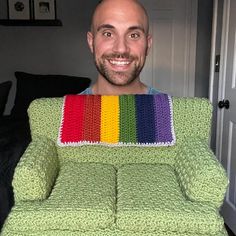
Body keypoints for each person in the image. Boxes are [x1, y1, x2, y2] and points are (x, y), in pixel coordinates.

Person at [81, 0, 160, 95]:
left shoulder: (171, 109)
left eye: (134, 35)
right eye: (108, 34)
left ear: (148, 44)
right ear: (91, 42)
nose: (121, 49)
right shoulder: (64, 109)